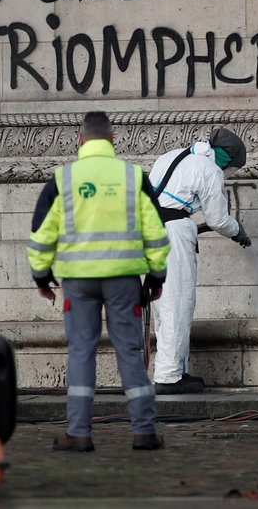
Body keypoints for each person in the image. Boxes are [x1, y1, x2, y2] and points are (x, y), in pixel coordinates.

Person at [27, 111, 170, 452]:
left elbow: (41, 234)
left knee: (81, 353)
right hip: (124, 280)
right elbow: (157, 233)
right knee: (130, 353)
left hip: (78, 282)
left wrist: (41, 276)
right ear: (113, 137)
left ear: (80, 140)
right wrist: (156, 275)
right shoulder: (133, 176)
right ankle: (144, 432)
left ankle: (79, 433)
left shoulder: (62, 180)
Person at [148, 127, 251, 394]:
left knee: (161, 304)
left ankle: (170, 370)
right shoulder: (210, 170)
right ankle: (169, 378)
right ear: (227, 160)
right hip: (172, 235)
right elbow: (217, 219)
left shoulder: (171, 156)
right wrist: (236, 230)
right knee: (177, 302)